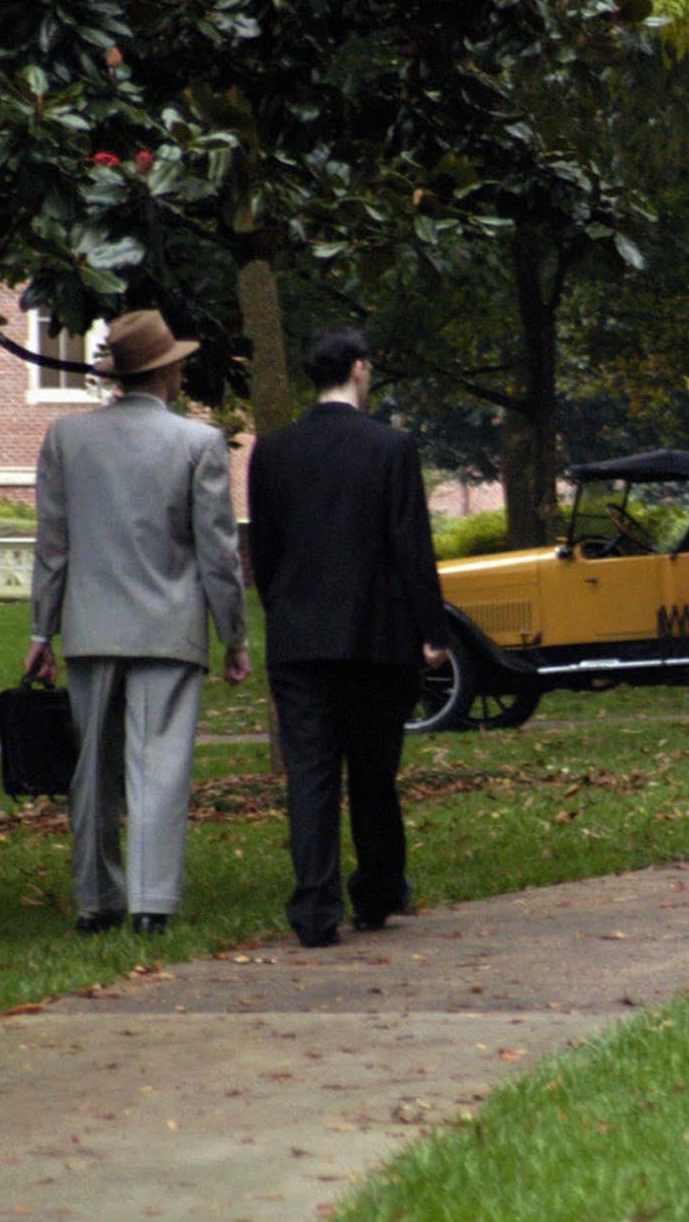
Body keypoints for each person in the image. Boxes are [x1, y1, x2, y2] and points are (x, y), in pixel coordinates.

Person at [26, 309, 253, 936]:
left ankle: (97, 898)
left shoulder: (67, 439)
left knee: (91, 772)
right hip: (169, 629)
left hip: (90, 627)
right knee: (159, 766)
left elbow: (53, 545)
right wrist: (233, 635)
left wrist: (42, 630)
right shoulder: (198, 442)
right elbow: (217, 552)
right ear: (170, 371)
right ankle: (152, 903)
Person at [247, 326, 451, 949]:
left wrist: (281, 608)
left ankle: (313, 908)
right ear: (360, 369)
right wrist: (432, 630)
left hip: (300, 637)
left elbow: (265, 547)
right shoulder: (391, 446)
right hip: (375, 636)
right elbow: (410, 544)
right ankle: (379, 890)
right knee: (372, 771)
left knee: (309, 775)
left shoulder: (272, 451)